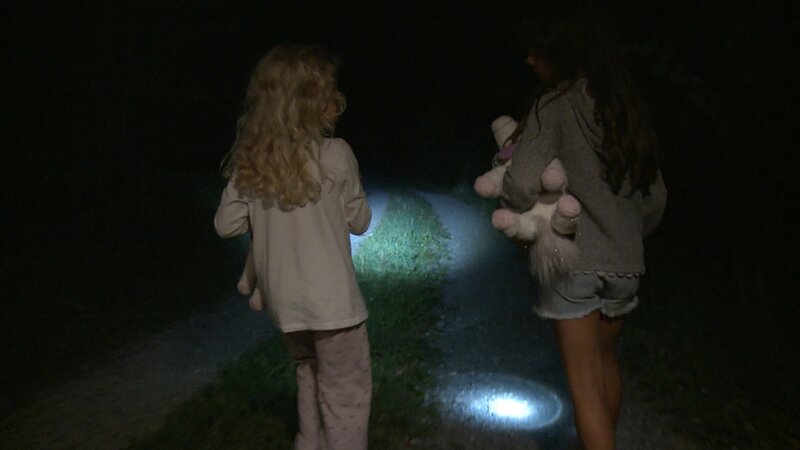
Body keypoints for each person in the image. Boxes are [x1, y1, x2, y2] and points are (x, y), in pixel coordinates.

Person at [501, 3, 667, 449]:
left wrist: (512, 197)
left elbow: (520, 185)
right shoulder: (623, 108)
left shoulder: (553, 106)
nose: (529, 59)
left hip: (573, 262)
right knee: (605, 364)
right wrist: (628, 236)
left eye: (537, 51)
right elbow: (656, 197)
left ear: (561, 52)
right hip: (626, 264)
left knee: (584, 387)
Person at [214, 44, 372, 450]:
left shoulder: (253, 165)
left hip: (287, 307)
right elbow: (360, 221)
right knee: (346, 392)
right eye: (330, 92)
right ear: (313, 103)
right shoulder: (336, 154)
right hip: (333, 306)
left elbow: (226, 225)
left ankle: (309, 441)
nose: (337, 100)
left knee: (308, 371)